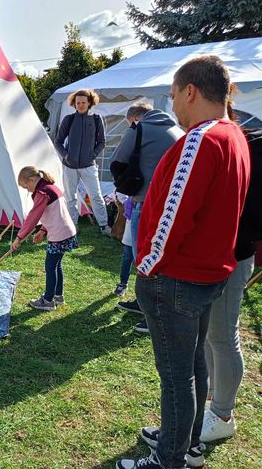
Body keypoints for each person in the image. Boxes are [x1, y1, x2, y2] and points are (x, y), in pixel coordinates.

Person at [116, 56, 251, 469]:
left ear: (190, 91)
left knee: (177, 376)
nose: (173, 105)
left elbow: (173, 213)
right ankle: (186, 440)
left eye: (174, 96)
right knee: (192, 366)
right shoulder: (234, 135)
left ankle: (168, 459)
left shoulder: (201, 139)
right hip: (205, 273)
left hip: (177, 276)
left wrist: (148, 263)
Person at [201, 125, 262, 444]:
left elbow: (251, 209)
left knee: (223, 335)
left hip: (234, 253)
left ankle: (223, 413)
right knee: (213, 334)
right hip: (218, 252)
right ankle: (214, 399)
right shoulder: (245, 137)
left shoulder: (254, 144)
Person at [111, 102, 183, 334]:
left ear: (134, 120)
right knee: (159, 256)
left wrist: (128, 183)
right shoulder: (178, 131)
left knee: (143, 257)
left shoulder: (139, 129)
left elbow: (117, 160)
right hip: (171, 204)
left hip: (146, 202)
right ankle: (144, 304)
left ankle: (152, 313)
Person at [12, 166, 78, 311]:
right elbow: (54, 214)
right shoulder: (49, 188)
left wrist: (19, 237)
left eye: (26, 186)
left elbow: (33, 217)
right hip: (66, 232)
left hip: (59, 235)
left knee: (50, 266)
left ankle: (48, 300)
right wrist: (43, 230)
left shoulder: (42, 192)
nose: (27, 190)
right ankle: (58, 295)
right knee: (56, 265)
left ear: (32, 179)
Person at [53, 89, 110, 235]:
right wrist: (66, 156)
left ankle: (104, 225)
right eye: (78, 102)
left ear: (90, 102)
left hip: (89, 165)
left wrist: (93, 155)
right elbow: (58, 141)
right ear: (74, 103)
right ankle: (73, 226)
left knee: (96, 195)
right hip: (69, 166)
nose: (81, 105)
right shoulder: (69, 119)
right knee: (70, 197)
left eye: (83, 102)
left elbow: (102, 142)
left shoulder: (97, 119)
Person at [114, 198, 134, 298]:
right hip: (133, 221)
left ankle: (146, 290)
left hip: (147, 223)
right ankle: (123, 283)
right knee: (127, 257)